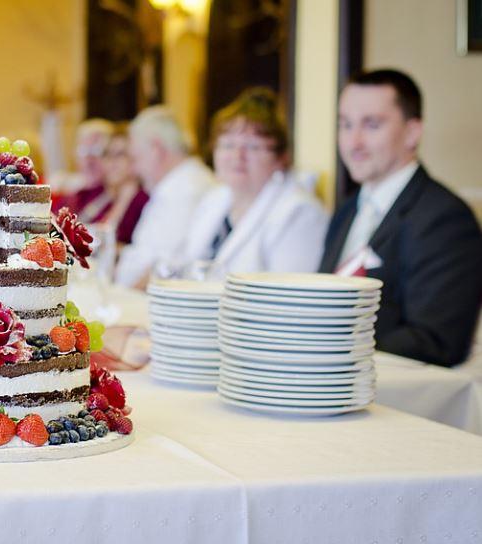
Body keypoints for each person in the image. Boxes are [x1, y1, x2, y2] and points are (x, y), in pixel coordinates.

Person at [319, 69, 482, 367]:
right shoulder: (346, 210)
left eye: (371, 124)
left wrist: (330, 351)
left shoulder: (445, 218)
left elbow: (436, 339)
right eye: (345, 124)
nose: (353, 142)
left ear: (412, 132)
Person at [184, 88, 328, 274]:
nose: (237, 156)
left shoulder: (299, 213)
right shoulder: (214, 199)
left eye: (252, 146)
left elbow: (289, 295)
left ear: (281, 158)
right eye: (228, 145)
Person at [115, 106, 216, 288]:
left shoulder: (187, 189)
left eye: (136, 158)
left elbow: (166, 268)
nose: (134, 169)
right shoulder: (175, 184)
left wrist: (121, 301)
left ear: (156, 149)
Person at [60, 123, 149, 245]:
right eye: (107, 154)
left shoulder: (143, 200)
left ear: (134, 158)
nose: (112, 161)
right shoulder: (105, 194)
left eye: (120, 154)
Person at [52, 118, 114, 212]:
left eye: (96, 151)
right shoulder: (72, 195)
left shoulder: (116, 198)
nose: (89, 160)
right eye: (83, 151)